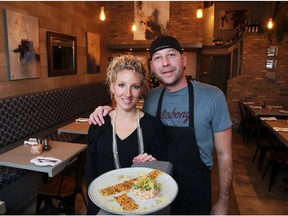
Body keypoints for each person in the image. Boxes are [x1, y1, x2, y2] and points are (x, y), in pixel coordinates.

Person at [89, 35, 233, 215]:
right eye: (158, 57)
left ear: (183, 59)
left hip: (194, 189)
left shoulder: (213, 96)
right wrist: (105, 110)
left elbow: (224, 153)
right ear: (152, 66)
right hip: (156, 190)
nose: (165, 63)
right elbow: (129, 109)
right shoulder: (152, 98)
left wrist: (223, 202)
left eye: (171, 55)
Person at [85, 54, 166, 215]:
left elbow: (161, 174)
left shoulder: (153, 126)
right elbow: (90, 173)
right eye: (121, 85)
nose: (128, 94)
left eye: (134, 86)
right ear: (112, 87)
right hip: (105, 205)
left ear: (142, 89)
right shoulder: (99, 124)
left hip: (143, 206)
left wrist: (154, 165)